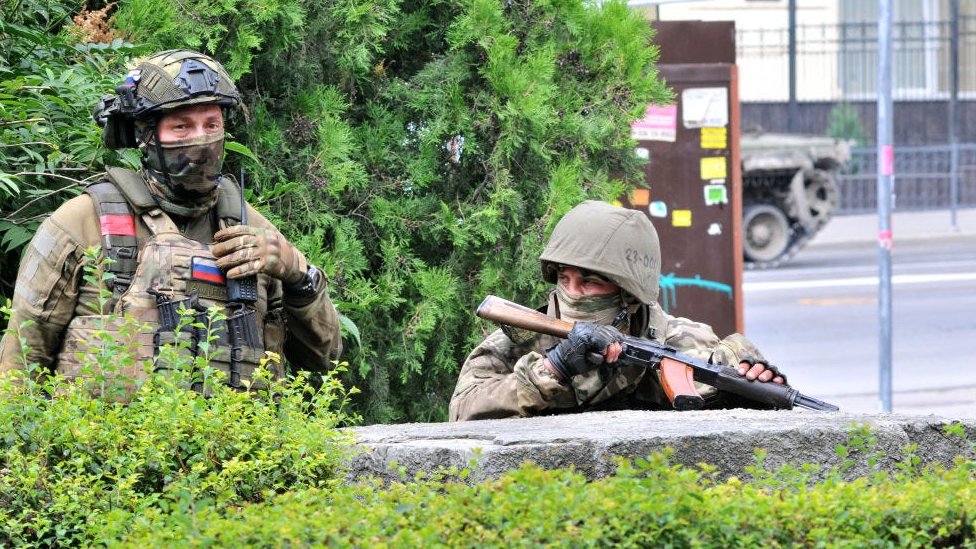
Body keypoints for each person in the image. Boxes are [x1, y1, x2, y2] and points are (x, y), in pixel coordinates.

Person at [0, 49, 341, 388]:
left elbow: (324, 362)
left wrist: (300, 277)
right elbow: (19, 364)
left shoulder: (254, 231)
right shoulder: (82, 223)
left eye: (212, 124)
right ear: (145, 135)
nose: (202, 140)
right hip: (103, 442)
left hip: (232, 441)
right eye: (181, 127)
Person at [449, 200, 786, 421]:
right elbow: (461, 414)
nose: (572, 293)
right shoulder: (517, 341)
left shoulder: (682, 341)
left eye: (589, 282)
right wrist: (554, 368)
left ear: (627, 295)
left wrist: (751, 393)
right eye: (563, 279)